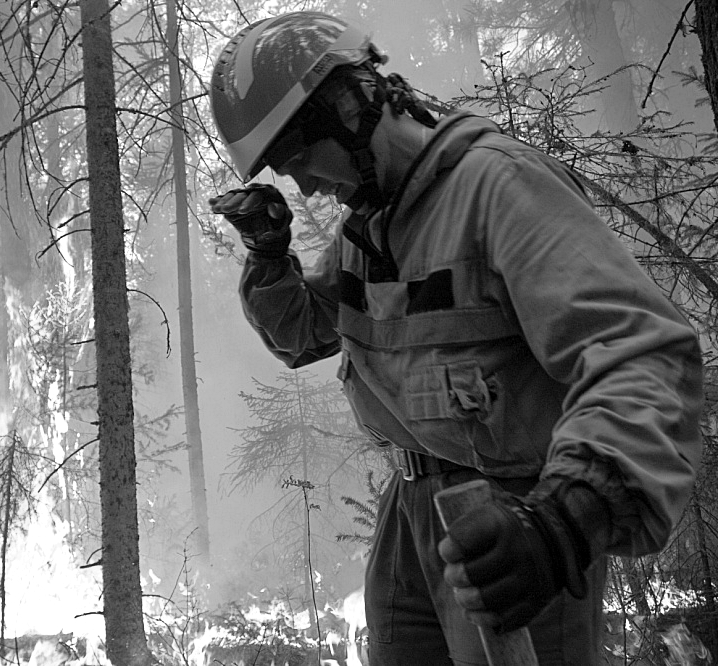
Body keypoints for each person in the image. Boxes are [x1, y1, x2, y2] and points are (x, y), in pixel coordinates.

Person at [207, 11, 704, 666]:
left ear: (348, 105)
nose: (300, 184)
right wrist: (270, 256)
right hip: (409, 518)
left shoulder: (500, 187)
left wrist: (564, 522)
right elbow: (307, 335)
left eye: (299, 155)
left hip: (514, 523)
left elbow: (643, 355)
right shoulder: (370, 224)